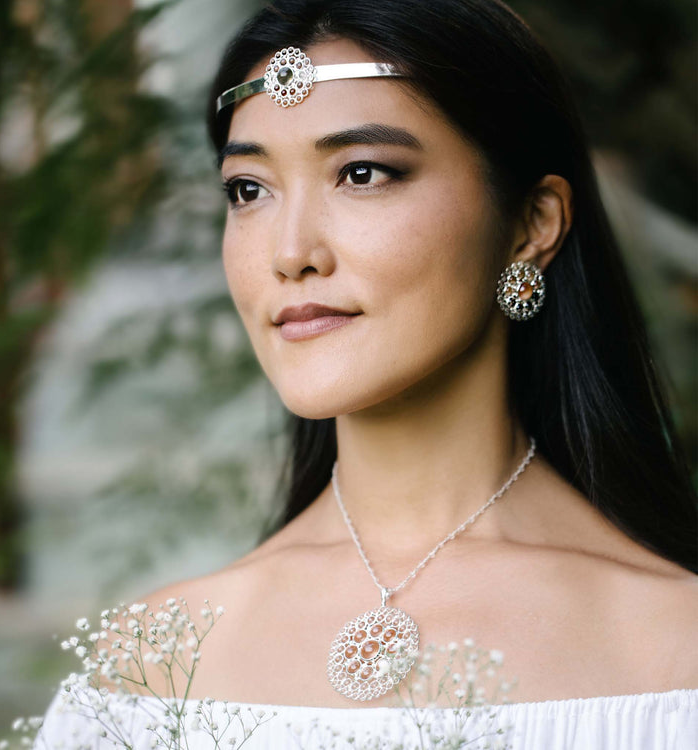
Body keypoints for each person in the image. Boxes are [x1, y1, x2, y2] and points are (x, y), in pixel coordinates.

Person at [35, 0, 697, 747]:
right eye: (248, 190)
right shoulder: (143, 672)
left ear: (531, 223)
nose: (291, 253)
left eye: (361, 173)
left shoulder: (676, 652)